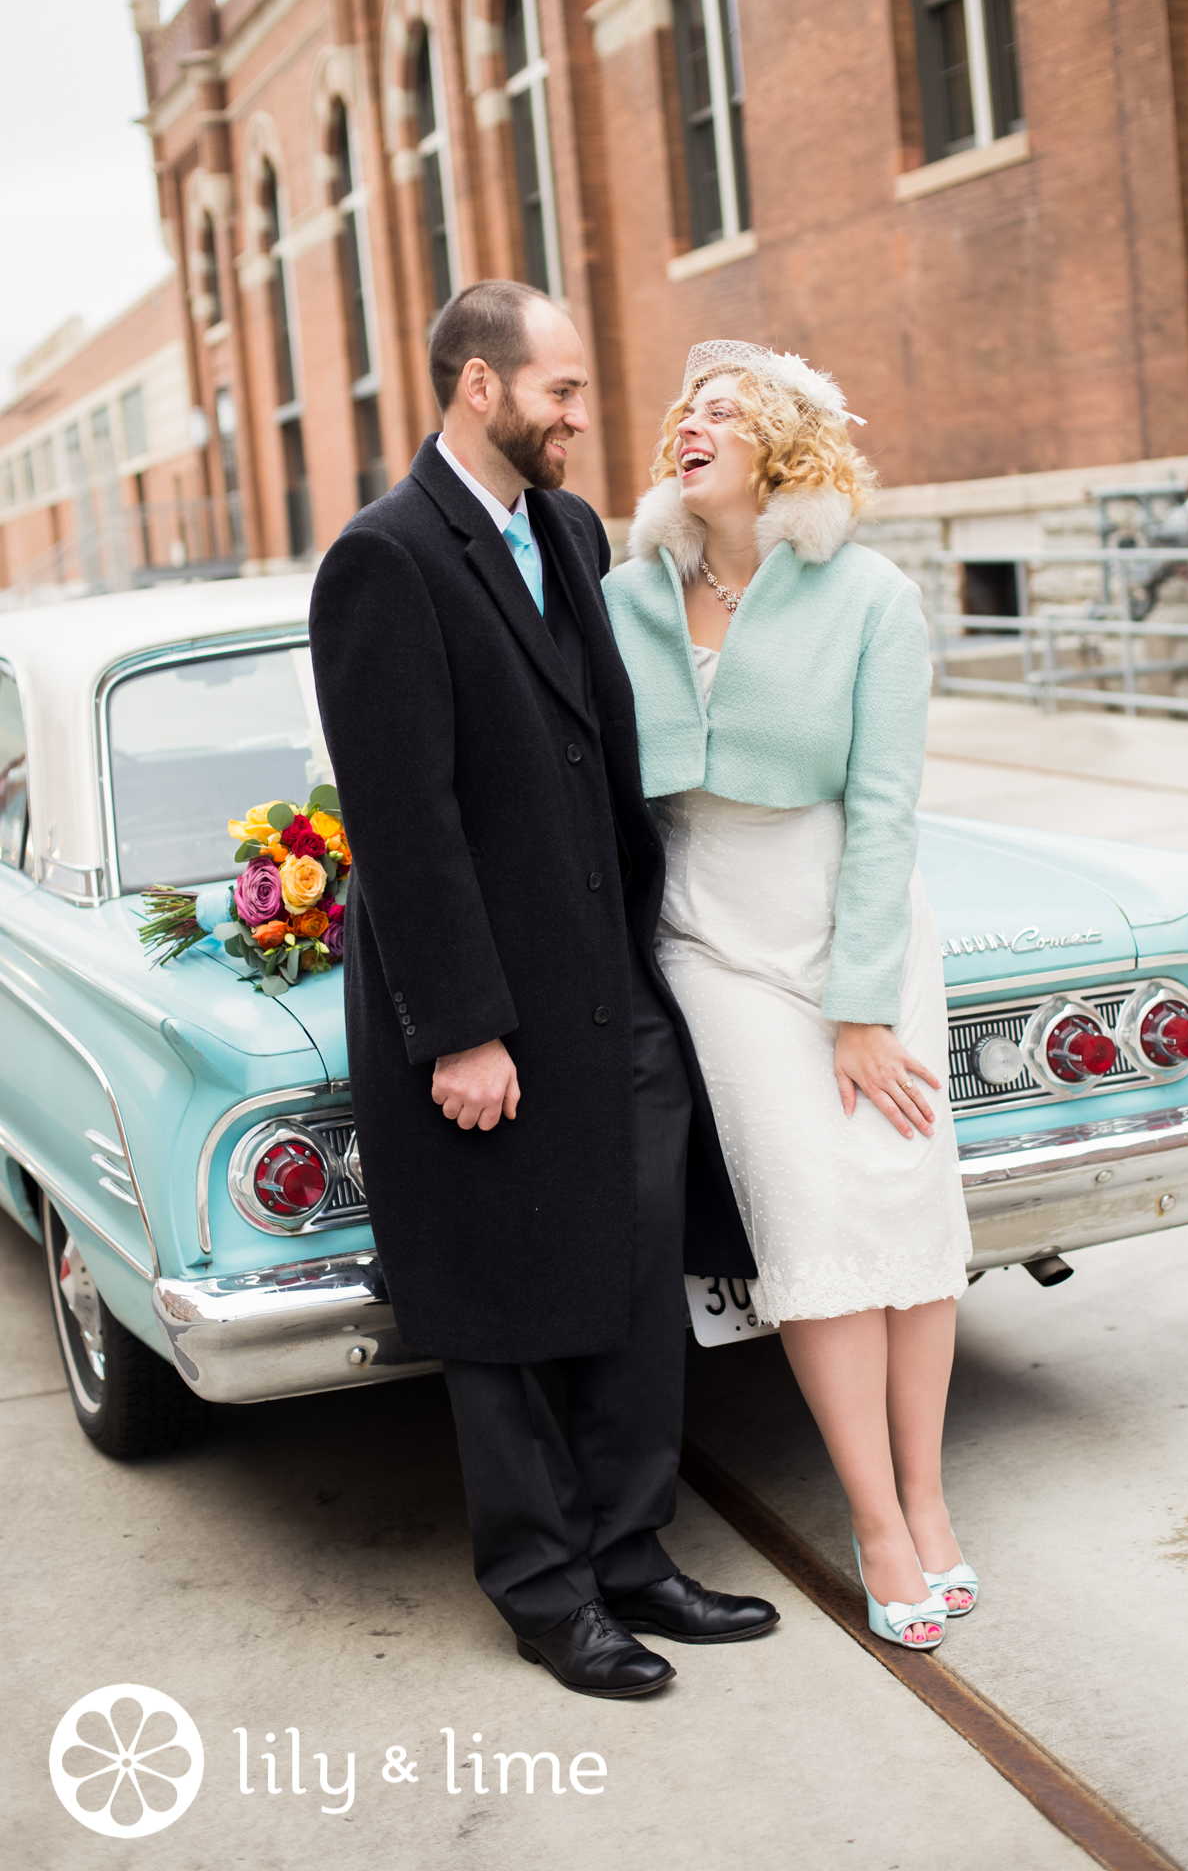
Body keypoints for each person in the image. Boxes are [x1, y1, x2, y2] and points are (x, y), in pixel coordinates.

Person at [309, 285, 776, 1699]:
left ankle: (632, 1553)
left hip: (609, 995)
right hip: (490, 1017)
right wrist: (458, 1028)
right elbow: (404, 819)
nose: (582, 416)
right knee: (506, 1309)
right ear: (475, 386)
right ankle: (543, 1591)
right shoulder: (383, 562)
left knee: (637, 1288)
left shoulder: (566, 533)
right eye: (560, 392)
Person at [603, 340, 975, 1651]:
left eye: (725, 410)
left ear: (782, 445)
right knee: (811, 1230)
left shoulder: (866, 593)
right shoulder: (626, 593)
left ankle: (931, 1503)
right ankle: (875, 1522)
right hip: (713, 942)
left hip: (856, 935)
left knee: (904, 1214)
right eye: (684, 410)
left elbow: (883, 806)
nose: (691, 424)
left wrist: (862, 1004)